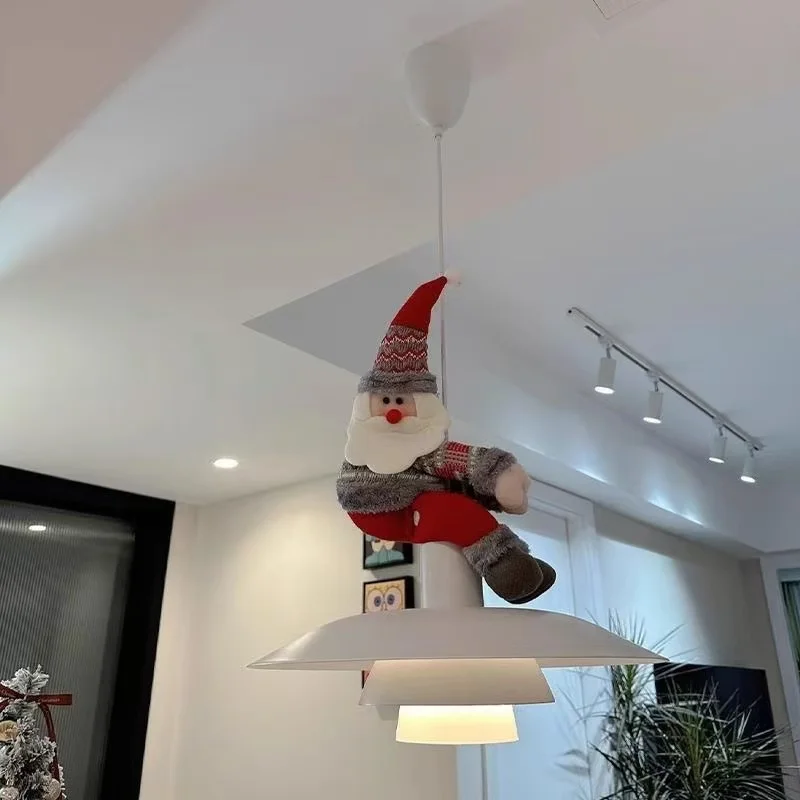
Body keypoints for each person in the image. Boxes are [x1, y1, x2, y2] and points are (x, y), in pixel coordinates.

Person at [336, 275, 556, 604]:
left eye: (401, 402)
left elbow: (456, 461)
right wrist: (497, 470)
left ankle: (518, 565)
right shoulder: (377, 446)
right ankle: (505, 563)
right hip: (378, 510)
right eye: (385, 402)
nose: (393, 413)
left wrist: (495, 475)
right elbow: (458, 459)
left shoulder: (415, 444)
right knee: (453, 510)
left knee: (456, 501)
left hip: (411, 507)